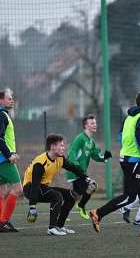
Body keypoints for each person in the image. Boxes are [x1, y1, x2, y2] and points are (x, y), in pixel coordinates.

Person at [89, 89, 140, 237]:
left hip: (130, 159)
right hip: (133, 161)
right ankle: (97, 213)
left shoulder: (130, 118)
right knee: (129, 197)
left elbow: (120, 136)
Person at [23, 133, 98, 236]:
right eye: (61, 145)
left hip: (42, 187)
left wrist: (88, 179)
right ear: (53, 147)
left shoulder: (60, 159)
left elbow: (74, 168)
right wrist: (32, 207)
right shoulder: (40, 163)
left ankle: (59, 226)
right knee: (57, 196)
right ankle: (52, 228)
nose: (64, 148)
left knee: (72, 195)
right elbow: (35, 185)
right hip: (30, 188)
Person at [66, 114, 112, 220]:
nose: (95, 125)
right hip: (76, 171)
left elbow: (96, 154)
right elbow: (71, 153)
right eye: (92, 123)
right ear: (86, 126)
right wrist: (75, 168)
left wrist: (104, 157)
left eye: (95, 123)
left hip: (80, 172)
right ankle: (81, 206)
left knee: (77, 196)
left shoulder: (91, 142)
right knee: (92, 186)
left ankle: (61, 212)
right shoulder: (80, 138)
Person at [0, 90, 23, 232]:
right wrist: (9, 155)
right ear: (1, 101)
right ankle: (4, 222)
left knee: (2, 190)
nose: (12, 100)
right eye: (9, 99)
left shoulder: (3, 115)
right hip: (3, 160)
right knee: (18, 189)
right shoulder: (2, 115)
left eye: (12, 98)